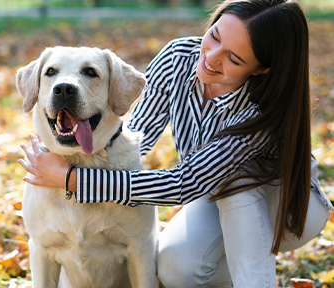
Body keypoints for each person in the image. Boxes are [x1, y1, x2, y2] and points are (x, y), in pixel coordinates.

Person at [19, 0, 334, 287]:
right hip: (212, 194)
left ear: (262, 68)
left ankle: (254, 280)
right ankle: (236, 268)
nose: (210, 58)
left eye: (233, 58)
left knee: (241, 181)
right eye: (215, 37)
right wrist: (76, 153)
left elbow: (185, 182)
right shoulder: (178, 58)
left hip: (290, 210)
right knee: (176, 270)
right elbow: (135, 136)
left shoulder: (260, 110)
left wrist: (74, 180)